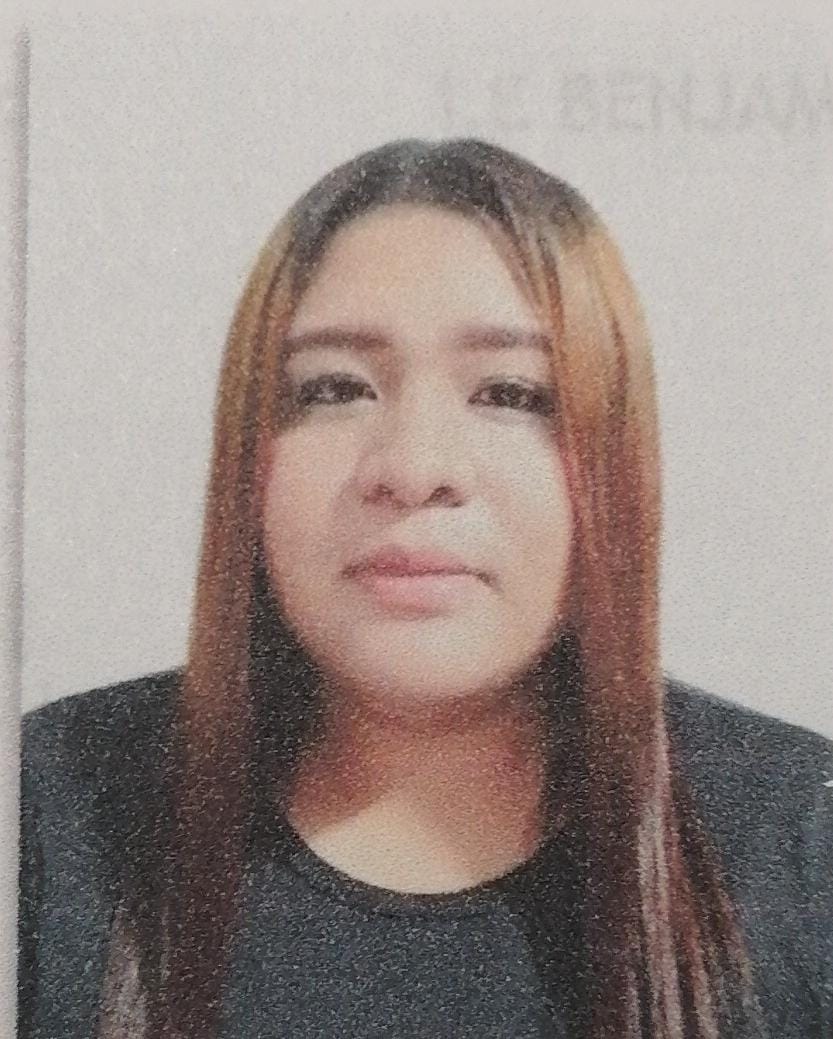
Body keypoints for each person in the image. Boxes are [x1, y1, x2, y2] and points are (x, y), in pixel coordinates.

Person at [18, 138, 832, 1039]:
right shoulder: (50, 805)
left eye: (510, 393)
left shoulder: (799, 834)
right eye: (335, 387)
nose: (412, 468)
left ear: (615, 455)